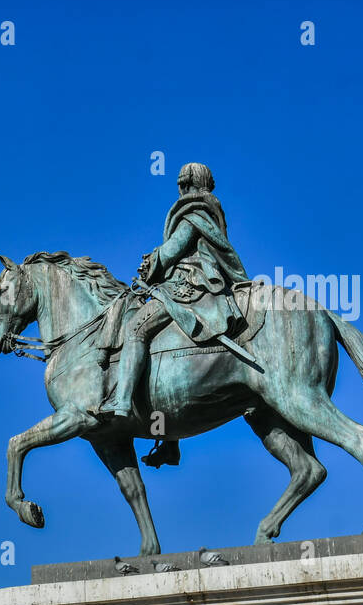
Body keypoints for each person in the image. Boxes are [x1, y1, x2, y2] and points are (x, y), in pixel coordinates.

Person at [95, 162, 250, 419]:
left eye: (182, 185)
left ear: (188, 183)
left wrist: (151, 262)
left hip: (189, 284)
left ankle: (121, 400)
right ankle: (168, 440)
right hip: (193, 283)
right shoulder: (208, 211)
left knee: (135, 329)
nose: (180, 190)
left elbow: (174, 249)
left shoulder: (193, 213)